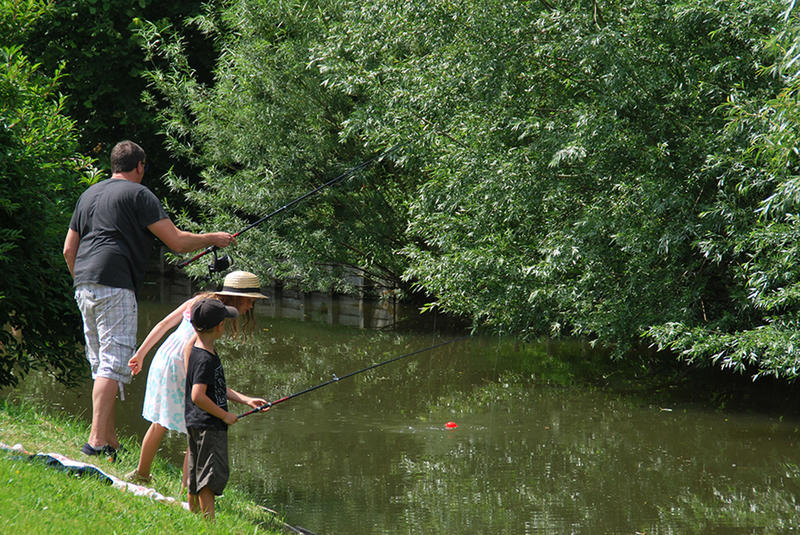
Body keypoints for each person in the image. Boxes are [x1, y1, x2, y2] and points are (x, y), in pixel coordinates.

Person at [62, 140, 236, 459]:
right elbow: (178, 242)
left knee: (101, 364)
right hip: (115, 284)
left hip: (84, 284)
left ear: (114, 164)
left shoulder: (88, 195)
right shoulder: (139, 194)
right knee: (113, 364)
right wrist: (214, 238)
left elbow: (68, 250)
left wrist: (83, 282)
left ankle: (109, 437)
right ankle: (96, 440)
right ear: (139, 166)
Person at [125, 270, 267, 484]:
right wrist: (195, 374)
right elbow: (194, 357)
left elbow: (164, 324)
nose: (251, 307)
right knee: (197, 429)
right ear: (239, 297)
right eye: (250, 301)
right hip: (182, 361)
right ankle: (188, 490)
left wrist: (141, 353)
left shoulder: (200, 301)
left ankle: (141, 474)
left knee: (159, 422)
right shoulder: (213, 317)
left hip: (164, 358)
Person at [185, 298, 267, 519]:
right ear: (220, 326)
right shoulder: (205, 359)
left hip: (197, 422)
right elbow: (198, 396)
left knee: (196, 470)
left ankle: (193, 512)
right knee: (209, 476)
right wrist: (224, 415)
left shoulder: (197, 350)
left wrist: (246, 399)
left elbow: (217, 388)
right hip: (209, 425)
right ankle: (208, 522)